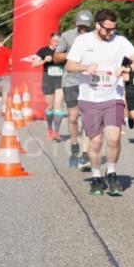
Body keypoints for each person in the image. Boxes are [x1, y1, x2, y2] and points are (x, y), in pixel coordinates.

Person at [64, 9, 134, 196]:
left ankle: (111, 173)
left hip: (113, 96)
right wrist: (85, 67)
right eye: (107, 29)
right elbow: (69, 65)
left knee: (114, 137)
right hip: (89, 98)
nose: (110, 33)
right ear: (97, 25)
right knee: (95, 142)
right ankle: (95, 177)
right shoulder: (83, 41)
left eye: (113, 29)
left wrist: (128, 68)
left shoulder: (120, 41)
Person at [55, 10, 94, 170]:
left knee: (87, 118)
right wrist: (72, 53)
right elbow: (57, 57)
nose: (83, 29)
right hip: (70, 81)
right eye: (81, 26)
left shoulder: (95, 39)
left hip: (89, 82)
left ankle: (85, 154)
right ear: (76, 24)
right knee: (72, 117)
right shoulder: (67, 36)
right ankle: (74, 144)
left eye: (86, 27)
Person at [27, 32, 66, 140]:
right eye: (54, 41)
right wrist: (44, 60)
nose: (56, 43)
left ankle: (57, 132)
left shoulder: (63, 51)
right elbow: (33, 64)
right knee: (50, 107)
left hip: (60, 81)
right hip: (48, 81)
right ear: (50, 40)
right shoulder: (43, 50)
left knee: (58, 105)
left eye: (58, 41)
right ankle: (49, 129)